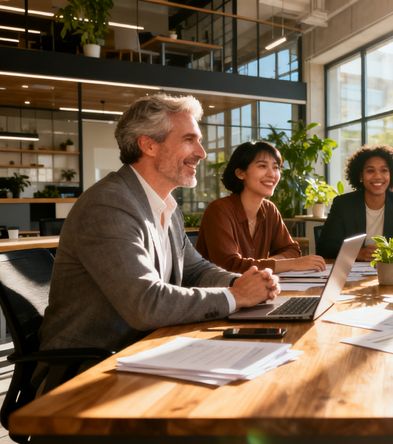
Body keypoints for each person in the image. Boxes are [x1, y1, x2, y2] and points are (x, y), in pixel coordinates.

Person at [37, 94, 280, 359]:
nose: (201, 153)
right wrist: (236, 296)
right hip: (89, 366)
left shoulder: (165, 204)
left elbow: (195, 270)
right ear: (148, 145)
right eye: (189, 140)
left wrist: (242, 282)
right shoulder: (108, 205)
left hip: (146, 347)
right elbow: (146, 303)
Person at [196, 141, 326, 274]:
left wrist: (268, 265)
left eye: (275, 168)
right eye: (262, 166)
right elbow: (229, 265)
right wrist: (284, 264)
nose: (272, 174)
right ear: (241, 173)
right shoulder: (219, 210)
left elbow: (291, 250)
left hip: (254, 289)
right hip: (217, 291)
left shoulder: (269, 209)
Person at [317, 145, 393, 261]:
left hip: (391, 270)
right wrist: (356, 254)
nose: (377, 176)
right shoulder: (342, 204)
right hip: (352, 273)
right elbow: (325, 248)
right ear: (360, 175)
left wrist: (391, 253)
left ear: (391, 175)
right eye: (370, 170)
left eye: (384, 170)